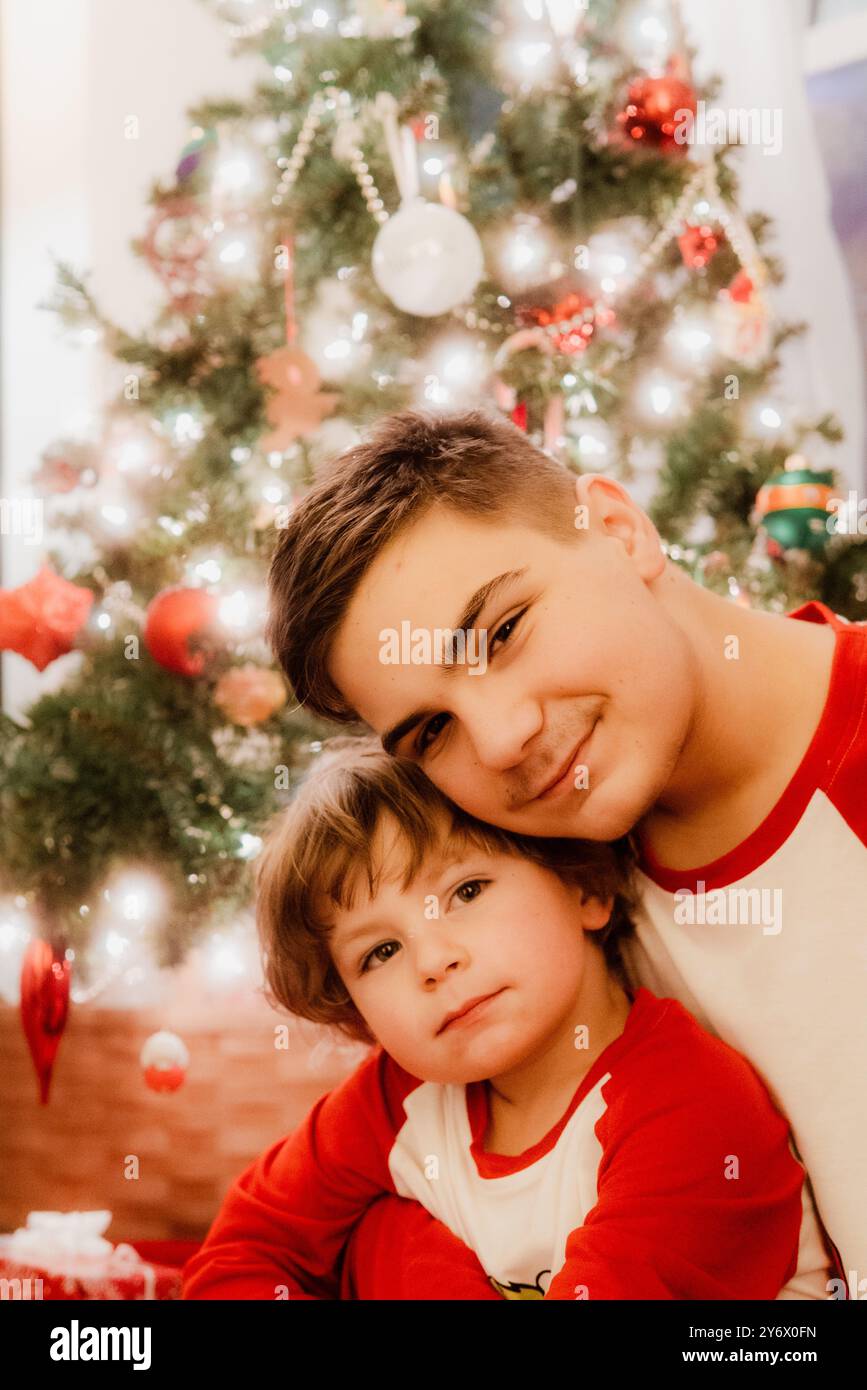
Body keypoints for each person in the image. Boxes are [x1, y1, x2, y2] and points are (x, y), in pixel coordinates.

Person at [260, 407, 867, 1288]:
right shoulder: (532, 887)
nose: (502, 740)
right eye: (432, 730)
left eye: (502, 632)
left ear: (618, 531)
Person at [182, 738, 836, 1300]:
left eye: (466, 892)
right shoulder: (396, 1100)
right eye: (380, 951)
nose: (433, 962)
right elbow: (238, 1256)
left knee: (386, 1239)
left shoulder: (689, 1110)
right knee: (385, 1234)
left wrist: (406, 1263)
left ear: (583, 887)